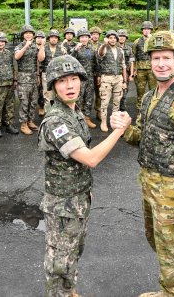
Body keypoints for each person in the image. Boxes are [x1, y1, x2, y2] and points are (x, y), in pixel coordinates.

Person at [112, 30, 174, 297]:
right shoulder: (149, 96)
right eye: (156, 58)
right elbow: (143, 138)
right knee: (164, 249)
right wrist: (125, 128)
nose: (161, 64)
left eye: (167, 58)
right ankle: (169, 292)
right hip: (152, 188)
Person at [38, 55, 126, 297]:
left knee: (74, 251)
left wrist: (85, 188)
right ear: (53, 86)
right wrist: (118, 131)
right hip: (63, 205)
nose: (69, 86)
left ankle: (69, 291)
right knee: (59, 261)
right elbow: (90, 158)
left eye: (74, 79)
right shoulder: (56, 120)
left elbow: (79, 165)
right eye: (62, 81)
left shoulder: (74, 112)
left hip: (78, 197)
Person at [14, 24, 44, 135]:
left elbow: (39, 60)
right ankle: (23, 124)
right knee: (24, 102)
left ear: (33, 35)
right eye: (26, 33)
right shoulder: (19, 46)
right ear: (23, 35)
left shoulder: (35, 47)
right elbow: (17, 57)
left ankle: (30, 121)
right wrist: (26, 46)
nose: (28, 35)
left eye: (30, 33)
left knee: (33, 102)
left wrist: (37, 75)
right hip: (23, 79)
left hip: (33, 78)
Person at [96, 30, 127, 132]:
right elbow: (100, 54)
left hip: (118, 78)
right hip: (107, 78)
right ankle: (103, 122)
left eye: (114, 38)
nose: (113, 40)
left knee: (116, 102)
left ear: (117, 39)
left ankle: (114, 122)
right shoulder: (104, 48)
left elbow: (123, 66)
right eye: (110, 38)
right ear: (107, 39)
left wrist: (124, 81)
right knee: (105, 101)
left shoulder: (120, 50)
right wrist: (104, 45)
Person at [71, 29, 97, 128]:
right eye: (82, 37)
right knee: (78, 98)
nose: (84, 39)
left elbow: (95, 63)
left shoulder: (91, 49)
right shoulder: (76, 48)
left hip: (89, 77)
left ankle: (87, 118)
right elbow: (70, 59)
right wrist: (75, 50)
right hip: (79, 78)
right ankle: (77, 118)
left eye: (86, 37)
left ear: (88, 38)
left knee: (89, 98)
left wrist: (97, 75)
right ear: (79, 38)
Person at [133, 21, 156, 108]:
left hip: (152, 69)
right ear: (142, 30)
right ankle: (140, 110)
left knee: (153, 90)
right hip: (140, 70)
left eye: (148, 29)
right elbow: (134, 55)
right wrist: (134, 69)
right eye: (145, 29)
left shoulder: (154, 41)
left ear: (151, 30)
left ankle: (152, 109)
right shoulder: (137, 42)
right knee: (140, 91)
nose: (146, 31)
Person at [117, 29, 135, 111]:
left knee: (124, 92)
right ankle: (115, 109)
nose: (122, 38)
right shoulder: (114, 47)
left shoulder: (129, 48)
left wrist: (131, 74)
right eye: (120, 36)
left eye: (123, 36)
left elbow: (131, 62)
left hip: (126, 73)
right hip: (116, 73)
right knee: (116, 92)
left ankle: (122, 109)